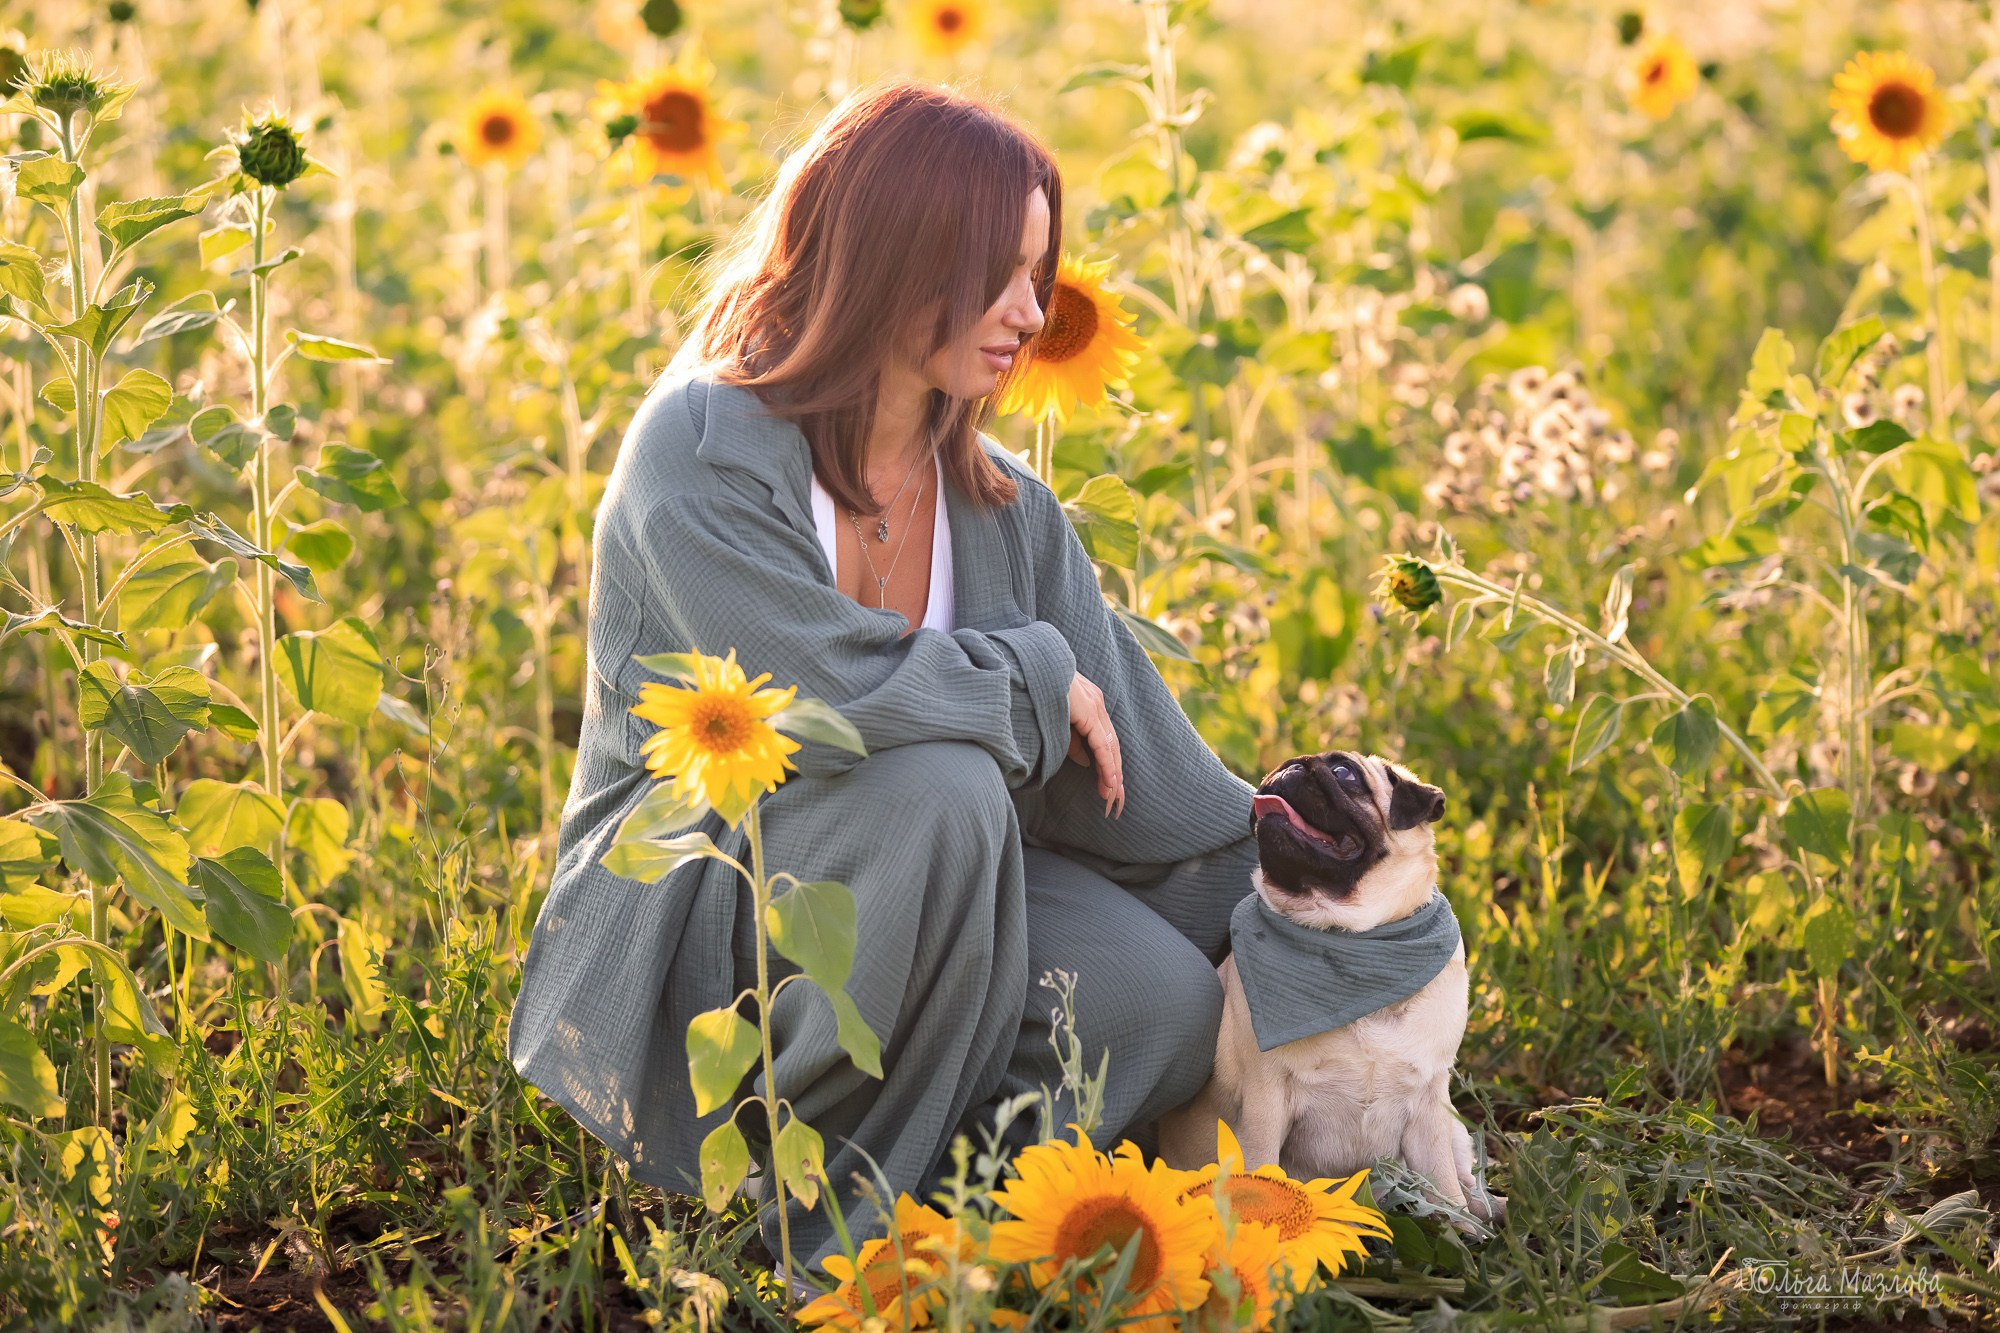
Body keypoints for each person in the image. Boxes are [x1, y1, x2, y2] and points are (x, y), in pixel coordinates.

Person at [506, 75, 1260, 1290]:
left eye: (1039, 273)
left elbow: (1152, 768)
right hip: (710, 896)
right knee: (945, 791)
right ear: (891, 258)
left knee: (1157, 998)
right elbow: (815, 694)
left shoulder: (1005, 507)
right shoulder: (703, 445)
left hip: (938, 907)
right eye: (998, 275)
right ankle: (824, 1255)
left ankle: (952, 1236)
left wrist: (1319, 885)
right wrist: (1026, 674)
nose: (1028, 313)